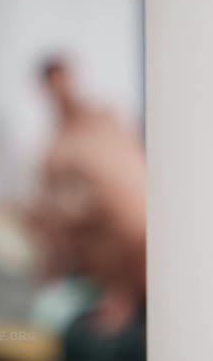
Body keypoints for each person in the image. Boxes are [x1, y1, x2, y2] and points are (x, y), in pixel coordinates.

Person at [26, 57, 146, 360]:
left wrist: (122, 294)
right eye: (54, 85)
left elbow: (131, 216)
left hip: (131, 268)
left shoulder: (102, 126)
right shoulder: (56, 147)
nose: (61, 91)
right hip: (102, 273)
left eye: (64, 81)